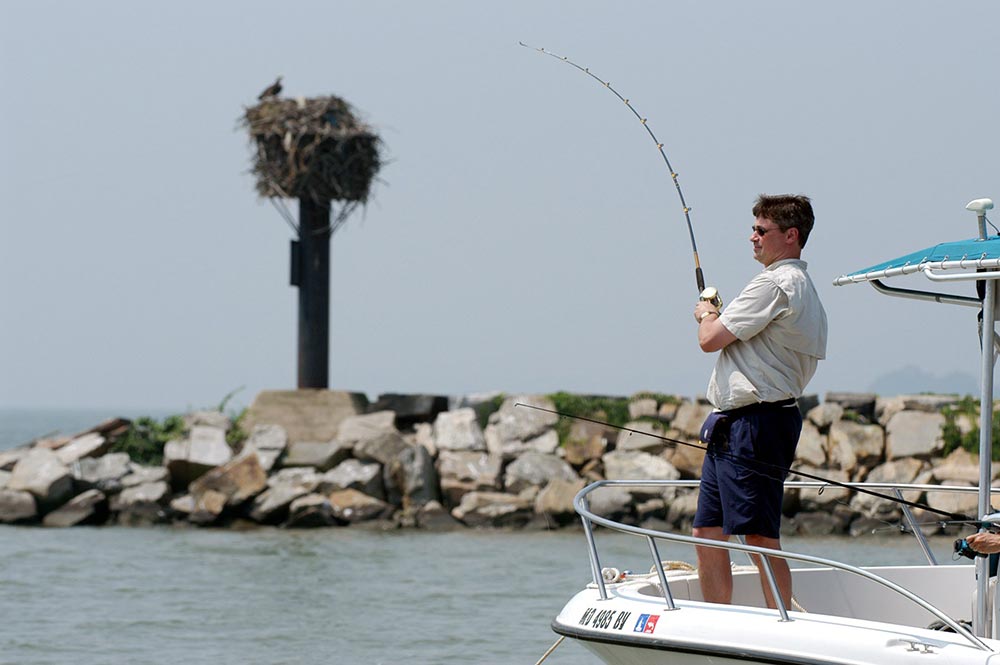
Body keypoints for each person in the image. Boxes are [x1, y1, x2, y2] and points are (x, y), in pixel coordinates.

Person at [691, 194, 828, 609]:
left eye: (761, 230)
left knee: (759, 536)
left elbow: (709, 341)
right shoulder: (801, 286)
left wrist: (706, 314)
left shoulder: (776, 283)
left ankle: (782, 624)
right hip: (737, 424)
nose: (752, 237)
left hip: (756, 424)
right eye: (753, 228)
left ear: (790, 235)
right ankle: (719, 621)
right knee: (707, 531)